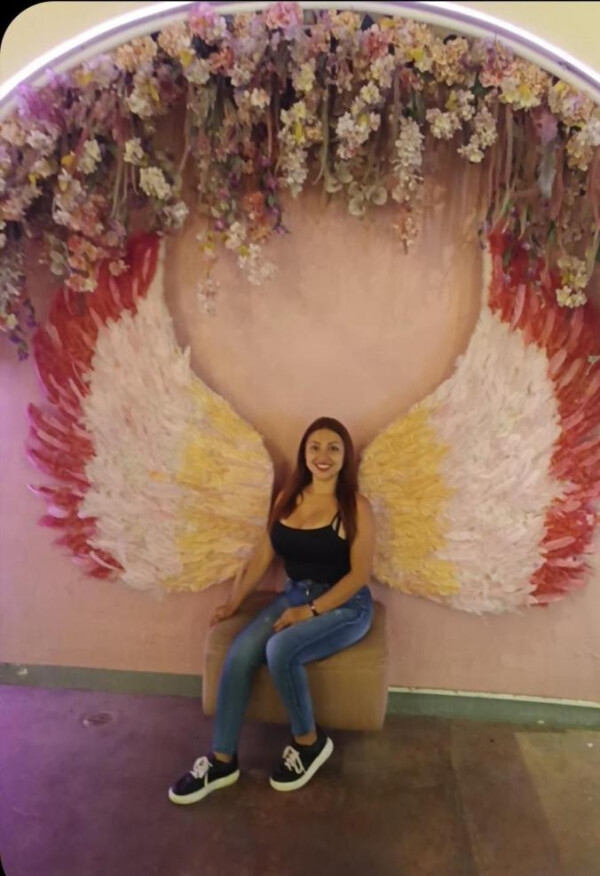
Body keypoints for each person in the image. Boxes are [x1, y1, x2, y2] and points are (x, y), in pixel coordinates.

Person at [168, 416, 376, 805]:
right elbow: (263, 555)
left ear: (345, 456)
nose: (323, 455)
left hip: (346, 605)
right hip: (293, 594)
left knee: (280, 649)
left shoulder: (356, 507)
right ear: (304, 454)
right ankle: (222, 760)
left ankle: (309, 743)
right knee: (240, 653)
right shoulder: (287, 497)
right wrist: (234, 602)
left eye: (333, 448)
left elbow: (359, 576)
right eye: (315, 447)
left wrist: (310, 610)